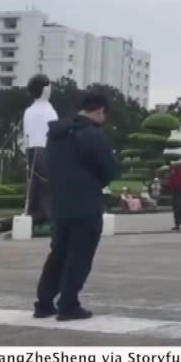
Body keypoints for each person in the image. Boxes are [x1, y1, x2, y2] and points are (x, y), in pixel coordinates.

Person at [34, 93, 121, 322]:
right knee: (79, 257)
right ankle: (68, 305)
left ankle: (43, 303)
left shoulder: (56, 134)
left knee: (58, 255)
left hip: (60, 205)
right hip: (86, 206)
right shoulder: (93, 135)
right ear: (100, 111)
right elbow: (110, 170)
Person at [0, 74, 58, 239]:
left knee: (35, 198)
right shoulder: (49, 110)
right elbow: (54, 135)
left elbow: (27, 136)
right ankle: (53, 223)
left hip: (31, 152)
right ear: (45, 89)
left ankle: (4, 224)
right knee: (49, 194)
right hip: (45, 153)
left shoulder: (29, 111)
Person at [166, 162, 181, 231]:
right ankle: (177, 225)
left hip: (180, 195)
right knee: (176, 211)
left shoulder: (180, 176)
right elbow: (169, 186)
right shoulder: (172, 176)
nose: (171, 171)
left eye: (172, 170)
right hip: (175, 195)